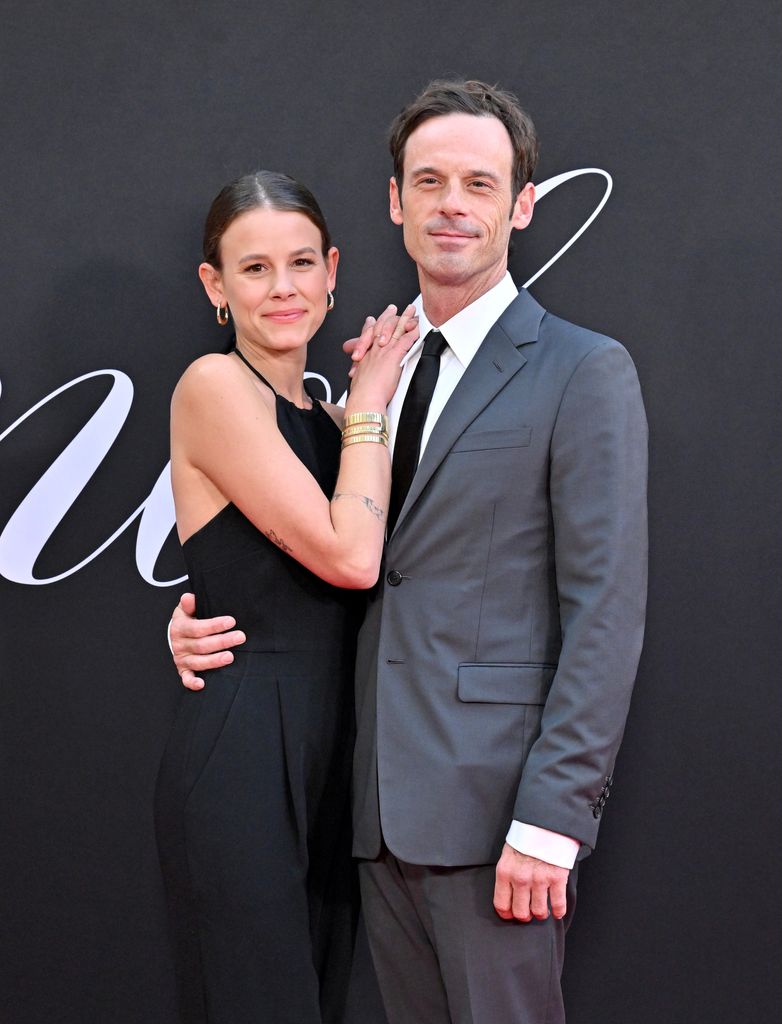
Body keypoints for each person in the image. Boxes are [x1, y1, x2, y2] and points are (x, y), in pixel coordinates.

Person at [170, 80, 648, 1024]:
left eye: (480, 182)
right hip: (365, 811)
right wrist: (204, 615)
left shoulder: (582, 370)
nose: (452, 205)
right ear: (396, 202)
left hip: (494, 817)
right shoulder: (363, 383)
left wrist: (553, 822)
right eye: (429, 181)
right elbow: (323, 553)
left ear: (521, 205)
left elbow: (607, 608)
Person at [154, 169, 418, 1024]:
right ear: (215, 285)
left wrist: (358, 414)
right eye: (255, 268)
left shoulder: (331, 421)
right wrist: (374, 400)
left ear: (334, 271)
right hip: (243, 752)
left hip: (336, 752)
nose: (284, 288)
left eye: (301, 263)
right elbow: (349, 556)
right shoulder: (214, 387)